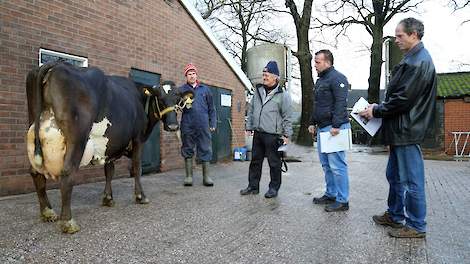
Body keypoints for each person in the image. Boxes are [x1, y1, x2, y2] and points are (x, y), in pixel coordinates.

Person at [359, 18, 436, 238]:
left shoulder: (418, 62)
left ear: (414, 35)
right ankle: (395, 215)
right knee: (394, 175)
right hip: (400, 130)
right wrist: (378, 106)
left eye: (400, 35)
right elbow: (400, 97)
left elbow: (403, 99)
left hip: (407, 131)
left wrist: (376, 111)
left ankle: (416, 225)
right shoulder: (413, 59)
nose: (396, 40)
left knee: (412, 180)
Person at [240, 61, 293, 198]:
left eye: (267, 75)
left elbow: (287, 116)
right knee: (255, 161)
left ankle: (273, 188)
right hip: (258, 133)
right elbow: (251, 110)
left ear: (275, 77)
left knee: (274, 163)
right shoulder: (258, 91)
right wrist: (249, 126)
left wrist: (287, 135)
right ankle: (253, 186)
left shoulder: (283, 95)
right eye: (263, 74)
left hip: (273, 135)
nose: (264, 77)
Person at [308, 49, 351, 212]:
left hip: (334, 129)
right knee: (326, 165)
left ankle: (342, 200)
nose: (315, 65)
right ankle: (331, 194)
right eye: (314, 62)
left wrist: (336, 125)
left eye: (317, 62)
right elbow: (317, 103)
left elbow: (341, 103)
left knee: (337, 165)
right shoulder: (320, 81)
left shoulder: (338, 78)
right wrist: (312, 122)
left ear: (327, 62)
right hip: (323, 128)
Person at [179, 63, 216, 187]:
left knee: (205, 148)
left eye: (193, 73)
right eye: (189, 74)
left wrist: (213, 123)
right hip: (187, 124)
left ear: (196, 75)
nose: (192, 76)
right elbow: (177, 107)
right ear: (186, 76)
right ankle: (189, 177)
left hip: (203, 124)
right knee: (187, 148)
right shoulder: (182, 90)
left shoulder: (205, 90)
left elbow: (212, 108)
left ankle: (207, 177)